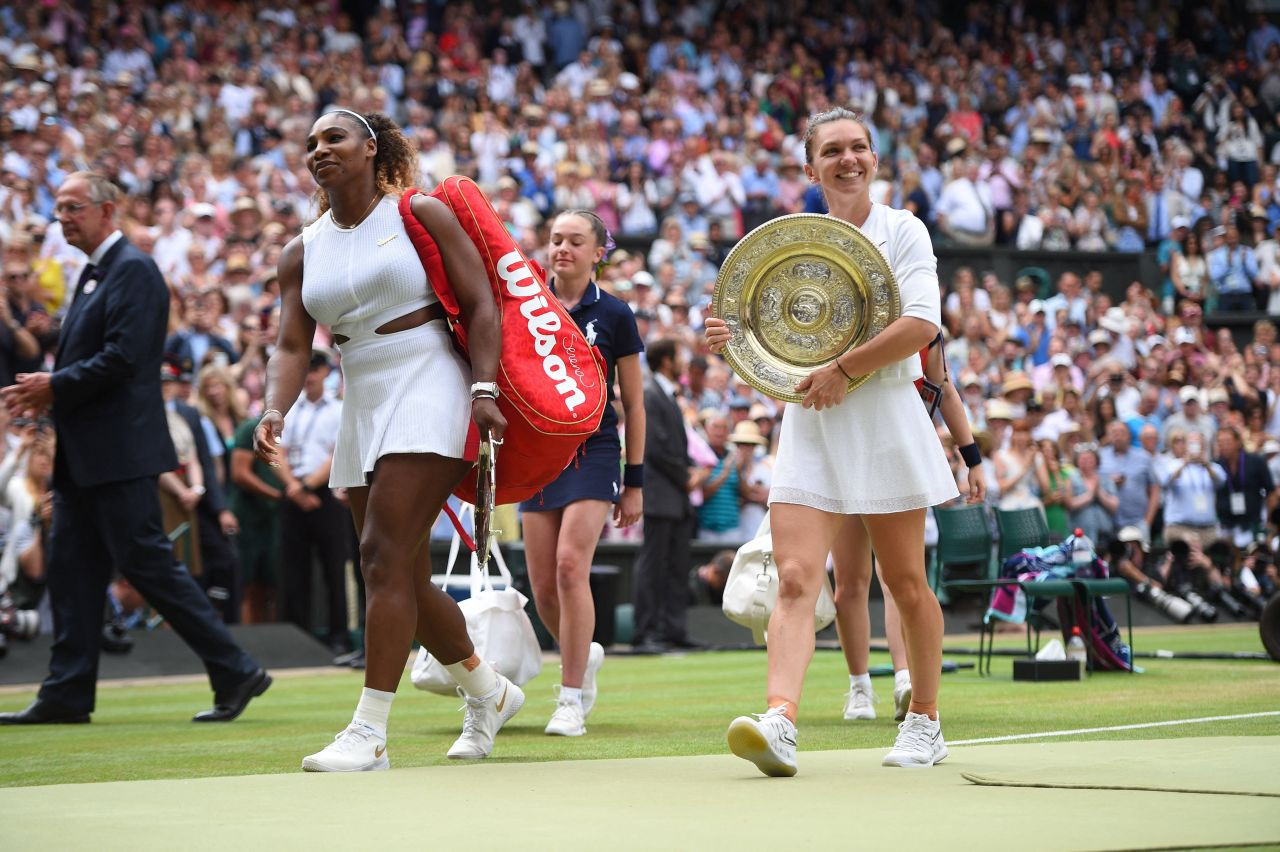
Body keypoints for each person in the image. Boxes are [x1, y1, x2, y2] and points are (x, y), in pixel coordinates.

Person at [254, 109, 513, 771]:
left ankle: (368, 733)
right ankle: (488, 691)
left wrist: (484, 390)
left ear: (372, 148)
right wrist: (273, 407)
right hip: (362, 391)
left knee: (379, 555)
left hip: (429, 377)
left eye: (333, 137)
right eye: (310, 142)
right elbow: (290, 343)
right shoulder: (300, 248)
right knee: (399, 571)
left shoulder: (419, 212)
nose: (319, 149)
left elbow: (482, 302)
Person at [706, 108, 959, 775]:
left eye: (859, 148)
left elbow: (922, 325)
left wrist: (844, 368)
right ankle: (780, 720)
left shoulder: (904, 230)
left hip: (883, 415)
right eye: (833, 151)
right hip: (812, 424)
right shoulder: (791, 241)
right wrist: (737, 342)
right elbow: (779, 349)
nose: (848, 160)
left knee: (904, 581)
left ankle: (926, 720)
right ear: (809, 166)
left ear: (875, 157)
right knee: (793, 577)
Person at [0, 171, 269, 725]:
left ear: (107, 210)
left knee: (148, 567)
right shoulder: (98, 273)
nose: (63, 217)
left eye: (74, 207)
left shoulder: (135, 271)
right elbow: (93, 358)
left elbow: (124, 359)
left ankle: (236, 668)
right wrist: (50, 391)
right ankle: (67, 691)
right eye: (59, 208)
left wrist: (54, 386)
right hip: (86, 455)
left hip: (119, 453)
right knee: (72, 571)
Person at [518, 209, 644, 738]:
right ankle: (583, 654)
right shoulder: (523, 306)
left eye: (575, 241)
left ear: (599, 252)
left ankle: (570, 697)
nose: (561, 248)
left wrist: (634, 479)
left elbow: (634, 405)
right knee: (544, 587)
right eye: (555, 240)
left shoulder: (615, 313)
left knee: (572, 567)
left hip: (593, 451)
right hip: (537, 452)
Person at [834, 348, 985, 724]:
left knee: (898, 580)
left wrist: (973, 459)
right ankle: (859, 685)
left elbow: (945, 388)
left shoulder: (923, 328)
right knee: (850, 581)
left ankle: (904, 678)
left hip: (895, 457)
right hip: (844, 453)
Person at [632, 337, 695, 654]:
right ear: (667, 361)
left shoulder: (665, 395)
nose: (683, 362)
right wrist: (687, 477)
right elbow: (655, 447)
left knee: (675, 566)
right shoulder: (651, 395)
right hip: (661, 495)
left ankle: (672, 629)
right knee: (654, 565)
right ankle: (646, 631)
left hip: (675, 497)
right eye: (679, 356)